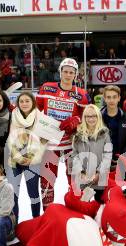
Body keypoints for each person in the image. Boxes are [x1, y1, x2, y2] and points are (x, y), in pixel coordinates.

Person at [35, 58, 90, 210]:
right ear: (60, 72)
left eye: (71, 72)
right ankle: (48, 214)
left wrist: (77, 120)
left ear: (76, 75)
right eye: (65, 71)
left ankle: (73, 210)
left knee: (74, 180)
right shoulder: (47, 88)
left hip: (70, 145)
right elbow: (35, 111)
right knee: (47, 181)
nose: (68, 75)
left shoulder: (81, 94)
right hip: (49, 144)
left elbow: (90, 117)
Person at [7, 92, 47, 220]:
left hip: (33, 161)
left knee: (34, 193)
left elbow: (43, 142)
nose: (24, 103)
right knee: (13, 195)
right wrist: (18, 157)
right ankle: (13, 225)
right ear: (18, 103)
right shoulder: (12, 116)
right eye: (21, 101)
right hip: (14, 160)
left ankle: (36, 220)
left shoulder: (41, 117)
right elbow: (10, 139)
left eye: (27, 101)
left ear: (33, 102)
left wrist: (32, 159)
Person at [69, 104, 112, 201]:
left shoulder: (105, 134)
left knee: (100, 206)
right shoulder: (78, 136)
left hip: (99, 178)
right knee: (83, 206)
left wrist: (99, 173)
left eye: (94, 116)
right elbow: (75, 155)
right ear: (84, 118)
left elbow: (107, 156)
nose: (91, 119)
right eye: (88, 116)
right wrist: (81, 172)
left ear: (98, 117)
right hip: (83, 178)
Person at [100, 85, 126, 165]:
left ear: (119, 98)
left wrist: (122, 157)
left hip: (122, 160)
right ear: (105, 98)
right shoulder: (98, 117)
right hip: (102, 160)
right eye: (109, 97)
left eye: (114, 97)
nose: (112, 100)